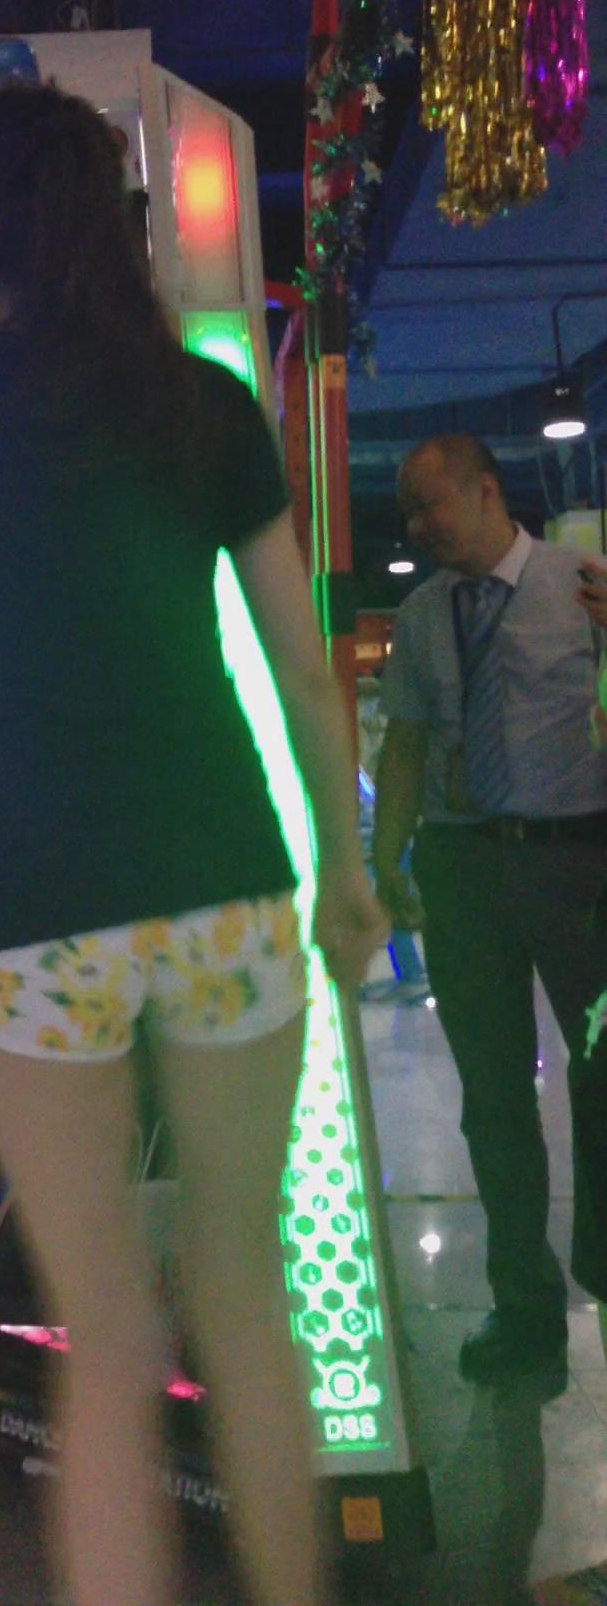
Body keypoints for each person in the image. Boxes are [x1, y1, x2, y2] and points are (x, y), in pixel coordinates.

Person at [0, 82, 387, 1606]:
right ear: (111, 219)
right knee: (246, 1302)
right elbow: (303, 670)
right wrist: (348, 874)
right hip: (221, 881)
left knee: (103, 1344)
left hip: (30, 909)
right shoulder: (200, 405)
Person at [373, 433, 607, 1387]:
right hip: (463, 867)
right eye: (409, 512)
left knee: (603, 1080)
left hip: (579, 863)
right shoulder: (423, 614)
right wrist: (386, 855)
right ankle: (525, 1314)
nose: (418, 527)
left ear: (485, 490)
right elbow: (404, 741)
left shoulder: (581, 586)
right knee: (495, 1100)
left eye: (430, 505)